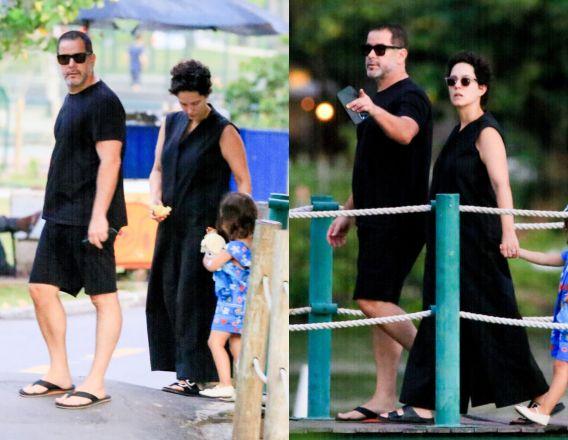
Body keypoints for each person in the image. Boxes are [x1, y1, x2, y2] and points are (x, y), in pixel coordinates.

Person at [388, 52, 549, 423]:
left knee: (493, 316)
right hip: (448, 244)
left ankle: (538, 395)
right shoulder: (456, 133)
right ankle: (442, 400)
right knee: (447, 315)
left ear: (482, 88)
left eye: (465, 81)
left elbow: (501, 184)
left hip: (478, 243)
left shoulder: (486, 131)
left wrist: (509, 231)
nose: (457, 87)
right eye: (452, 81)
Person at [328, 24, 432, 421]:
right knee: (380, 310)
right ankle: (384, 398)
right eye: (368, 47)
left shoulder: (410, 96)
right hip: (372, 218)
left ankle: (442, 366)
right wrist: (348, 213)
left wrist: (373, 109)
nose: (372, 54)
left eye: (381, 48)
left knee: (371, 300)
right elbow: (371, 165)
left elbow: (406, 133)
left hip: (400, 218)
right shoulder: (373, 100)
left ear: (401, 54)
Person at [19, 30, 127, 410]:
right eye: (64, 59)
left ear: (91, 58)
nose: (71, 65)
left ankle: (95, 382)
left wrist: (99, 216)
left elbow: (110, 161)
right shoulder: (71, 99)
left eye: (77, 58)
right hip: (61, 213)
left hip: (90, 217)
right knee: (40, 289)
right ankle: (59, 373)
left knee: (102, 296)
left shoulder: (105, 102)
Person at [146, 59, 251, 396]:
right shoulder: (172, 122)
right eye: (183, 103)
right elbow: (157, 168)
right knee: (166, 294)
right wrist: (154, 200)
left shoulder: (223, 130)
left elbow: (243, 180)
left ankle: (193, 373)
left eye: (195, 103)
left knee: (192, 297)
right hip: (171, 223)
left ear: (207, 95)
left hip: (206, 230)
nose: (189, 109)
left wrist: (232, 231)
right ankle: (182, 367)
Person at [512, 211, 568, 426]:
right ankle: (543, 409)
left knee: (562, 367)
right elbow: (546, 258)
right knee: (560, 367)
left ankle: (543, 411)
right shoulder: (567, 255)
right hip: (562, 323)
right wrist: (520, 252)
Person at [199, 192, 257, 399]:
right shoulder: (251, 245)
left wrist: (208, 252)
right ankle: (245, 385)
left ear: (229, 221)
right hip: (243, 305)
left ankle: (225, 384)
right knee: (235, 343)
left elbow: (212, 265)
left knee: (214, 342)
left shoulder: (233, 247)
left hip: (229, 305)